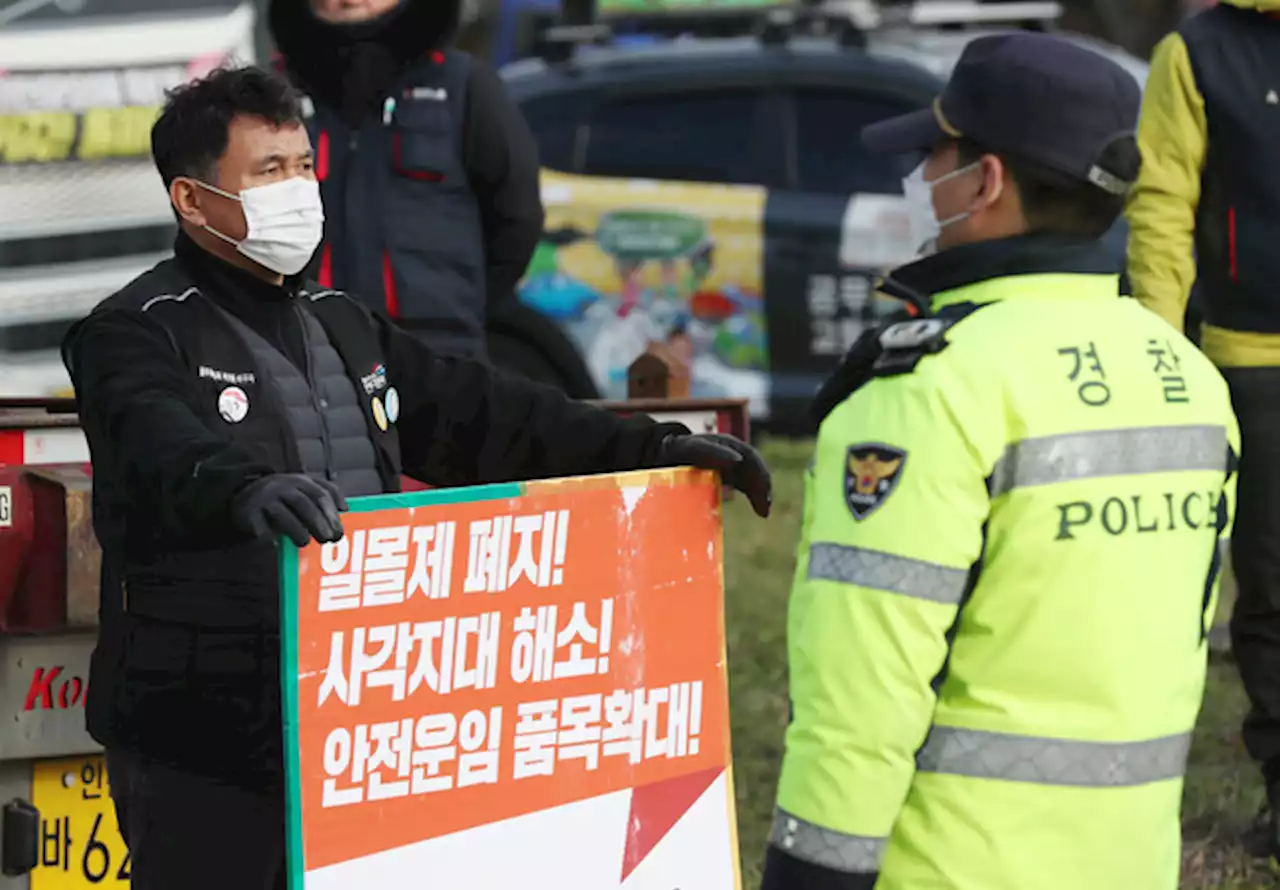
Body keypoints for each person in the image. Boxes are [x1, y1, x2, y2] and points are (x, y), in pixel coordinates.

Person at [61, 65, 771, 890]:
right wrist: (243, 490)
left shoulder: (342, 324)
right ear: (192, 199)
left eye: (301, 168)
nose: (296, 190)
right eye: (267, 172)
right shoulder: (132, 332)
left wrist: (654, 451)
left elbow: (495, 417)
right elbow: (157, 441)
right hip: (204, 744)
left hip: (357, 734)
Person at [761, 33, 1239, 890]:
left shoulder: (928, 388)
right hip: (1129, 863)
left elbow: (861, 697)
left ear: (982, 183)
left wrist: (811, 876)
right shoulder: (1184, 376)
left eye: (931, 156)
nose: (918, 181)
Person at [1125, 0, 1280, 855]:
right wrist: (1158, 351)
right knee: (1271, 588)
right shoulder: (1198, 53)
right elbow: (1162, 206)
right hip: (1254, 358)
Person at [266, 0, 542, 360]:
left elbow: (516, 221)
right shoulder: (269, 98)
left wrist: (455, 306)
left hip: (440, 356)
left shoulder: (464, 87)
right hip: (309, 352)